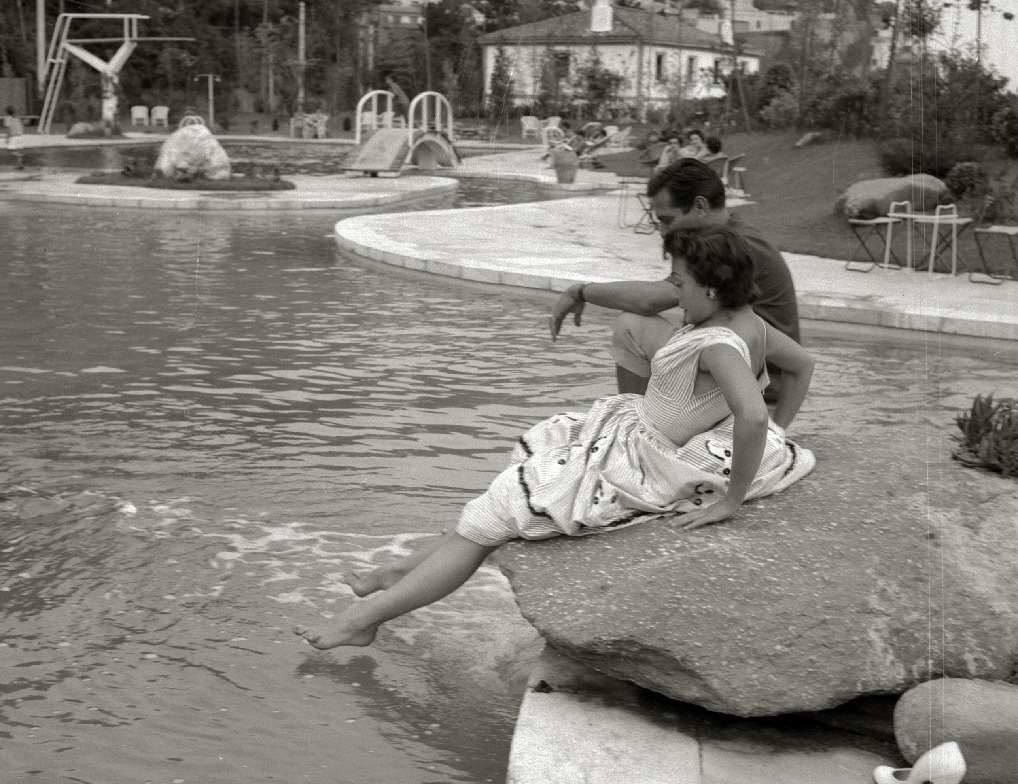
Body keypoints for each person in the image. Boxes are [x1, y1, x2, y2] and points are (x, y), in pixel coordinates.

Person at [295, 225, 816, 650]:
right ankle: (398, 575)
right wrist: (780, 430)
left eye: (677, 283)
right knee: (500, 507)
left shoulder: (717, 343)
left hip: (641, 457)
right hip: (645, 434)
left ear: (710, 289)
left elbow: (749, 414)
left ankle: (364, 621)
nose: (670, 291)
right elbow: (801, 366)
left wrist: (733, 498)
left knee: (496, 514)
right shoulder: (751, 326)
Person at [549, 159, 799, 397]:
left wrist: (580, 291)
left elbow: (649, 300)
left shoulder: (736, 247)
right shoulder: (727, 237)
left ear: (700, 206)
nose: (663, 231)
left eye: (667, 220)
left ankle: (633, 426)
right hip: (740, 365)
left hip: (752, 382)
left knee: (631, 327)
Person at [3, 106, 26, 170]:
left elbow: (8, 129)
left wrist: (7, 138)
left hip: (13, 136)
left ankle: (20, 156)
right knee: (17, 150)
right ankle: (20, 165)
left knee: (10, 150)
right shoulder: (17, 118)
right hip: (20, 136)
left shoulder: (7, 119)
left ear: (7, 112)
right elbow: (21, 126)